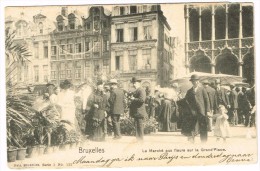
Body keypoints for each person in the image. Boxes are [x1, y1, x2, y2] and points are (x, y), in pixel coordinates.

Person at [184, 74, 210, 143]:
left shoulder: (202, 89)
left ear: (198, 81)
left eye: (195, 81)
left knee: (203, 125)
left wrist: (207, 110)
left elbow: (206, 100)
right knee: (192, 125)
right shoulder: (189, 91)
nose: (194, 82)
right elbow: (186, 100)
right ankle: (192, 139)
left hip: (202, 111)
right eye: (193, 81)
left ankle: (204, 140)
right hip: (193, 111)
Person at [129, 77, 148, 141]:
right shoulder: (137, 90)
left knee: (139, 126)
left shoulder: (141, 90)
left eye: (135, 83)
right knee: (137, 125)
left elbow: (142, 100)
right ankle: (138, 139)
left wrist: (133, 99)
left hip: (139, 111)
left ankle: (140, 139)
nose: (134, 84)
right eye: (133, 83)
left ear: (138, 83)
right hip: (137, 111)